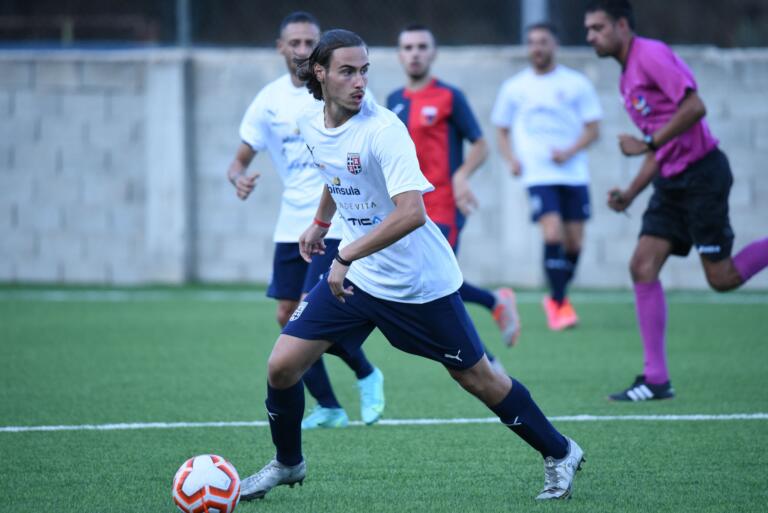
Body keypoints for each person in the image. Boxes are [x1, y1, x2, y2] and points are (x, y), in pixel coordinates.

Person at [239, 28, 584, 503]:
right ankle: (288, 463)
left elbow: (411, 212)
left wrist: (342, 254)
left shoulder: (383, 129)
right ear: (319, 74)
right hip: (362, 278)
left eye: (364, 70)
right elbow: (333, 170)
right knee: (282, 366)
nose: (359, 81)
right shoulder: (309, 122)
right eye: (347, 71)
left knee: (477, 377)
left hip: (418, 283)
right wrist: (321, 223)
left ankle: (560, 450)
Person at [584, 0, 768, 401]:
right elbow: (660, 149)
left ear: (621, 25)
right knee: (642, 265)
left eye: (597, 28)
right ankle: (656, 379)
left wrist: (648, 141)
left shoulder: (650, 55)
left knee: (722, 279)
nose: (590, 36)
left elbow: (694, 107)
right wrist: (631, 192)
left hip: (702, 175)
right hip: (672, 182)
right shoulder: (625, 77)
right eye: (588, 29)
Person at [225, 12, 384, 426]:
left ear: (319, 53)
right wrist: (239, 179)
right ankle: (330, 406)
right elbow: (238, 161)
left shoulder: (343, 93)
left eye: (307, 42)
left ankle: (367, 373)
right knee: (286, 316)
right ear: (280, 47)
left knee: (313, 313)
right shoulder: (269, 101)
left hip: (333, 223)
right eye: (292, 42)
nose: (299, 49)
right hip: (289, 226)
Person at [387, 24, 521, 348]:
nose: (415, 53)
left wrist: (461, 176)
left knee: (438, 280)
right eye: (408, 47)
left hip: (444, 203)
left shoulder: (450, 96)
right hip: (408, 206)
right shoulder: (393, 100)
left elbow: (481, 144)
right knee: (429, 282)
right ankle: (494, 303)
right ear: (399, 55)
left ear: (432, 53)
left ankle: (485, 361)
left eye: (422, 47)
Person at [492, 22, 602, 331]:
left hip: (574, 173)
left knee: (575, 243)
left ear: (555, 44)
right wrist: (511, 158)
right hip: (538, 174)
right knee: (552, 232)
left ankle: (557, 296)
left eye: (543, 41)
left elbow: (594, 128)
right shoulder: (515, 87)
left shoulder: (576, 83)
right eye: (532, 42)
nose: (537, 48)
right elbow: (501, 128)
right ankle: (557, 303)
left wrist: (569, 151)